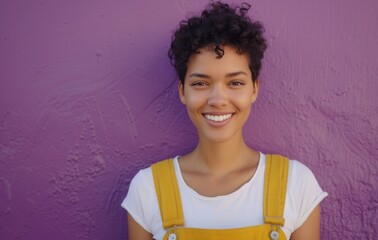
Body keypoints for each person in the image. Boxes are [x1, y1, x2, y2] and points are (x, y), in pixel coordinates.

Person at [122, 2, 327, 240]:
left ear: (254, 89)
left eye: (235, 83)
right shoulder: (148, 189)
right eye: (200, 83)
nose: (218, 100)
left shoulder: (296, 183)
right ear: (182, 91)